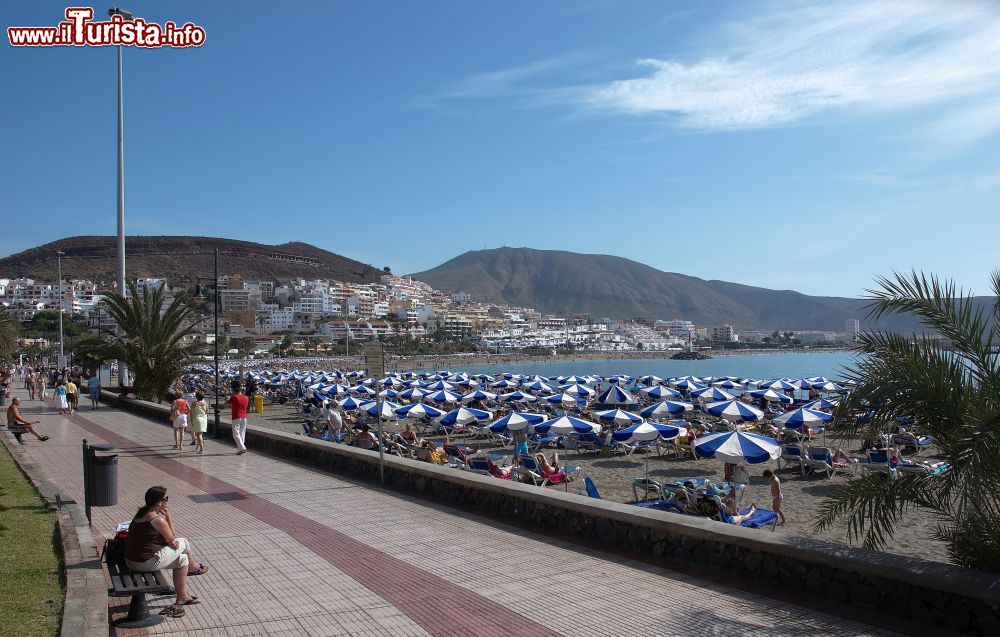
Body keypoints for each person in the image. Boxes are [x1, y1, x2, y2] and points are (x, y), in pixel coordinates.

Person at [124, 486, 208, 610]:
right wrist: (168, 517)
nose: (167, 501)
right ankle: (193, 567)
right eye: (166, 498)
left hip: (131, 560)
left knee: (182, 559)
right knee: (183, 541)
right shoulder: (157, 520)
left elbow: (166, 540)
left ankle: (182, 597)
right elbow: (172, 538)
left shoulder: (142, 513)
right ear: (159, 502)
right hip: (143, 563)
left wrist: (169, 542)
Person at [225, 384, 249, 455]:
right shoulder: (246, 397)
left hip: (236, 416)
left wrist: (227, 398)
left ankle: (242, 448)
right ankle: (240, 449)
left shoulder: (234, 397)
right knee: (242, 433)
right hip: (244, 416)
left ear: (234, 391)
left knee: (235, 434)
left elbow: (227, 404)